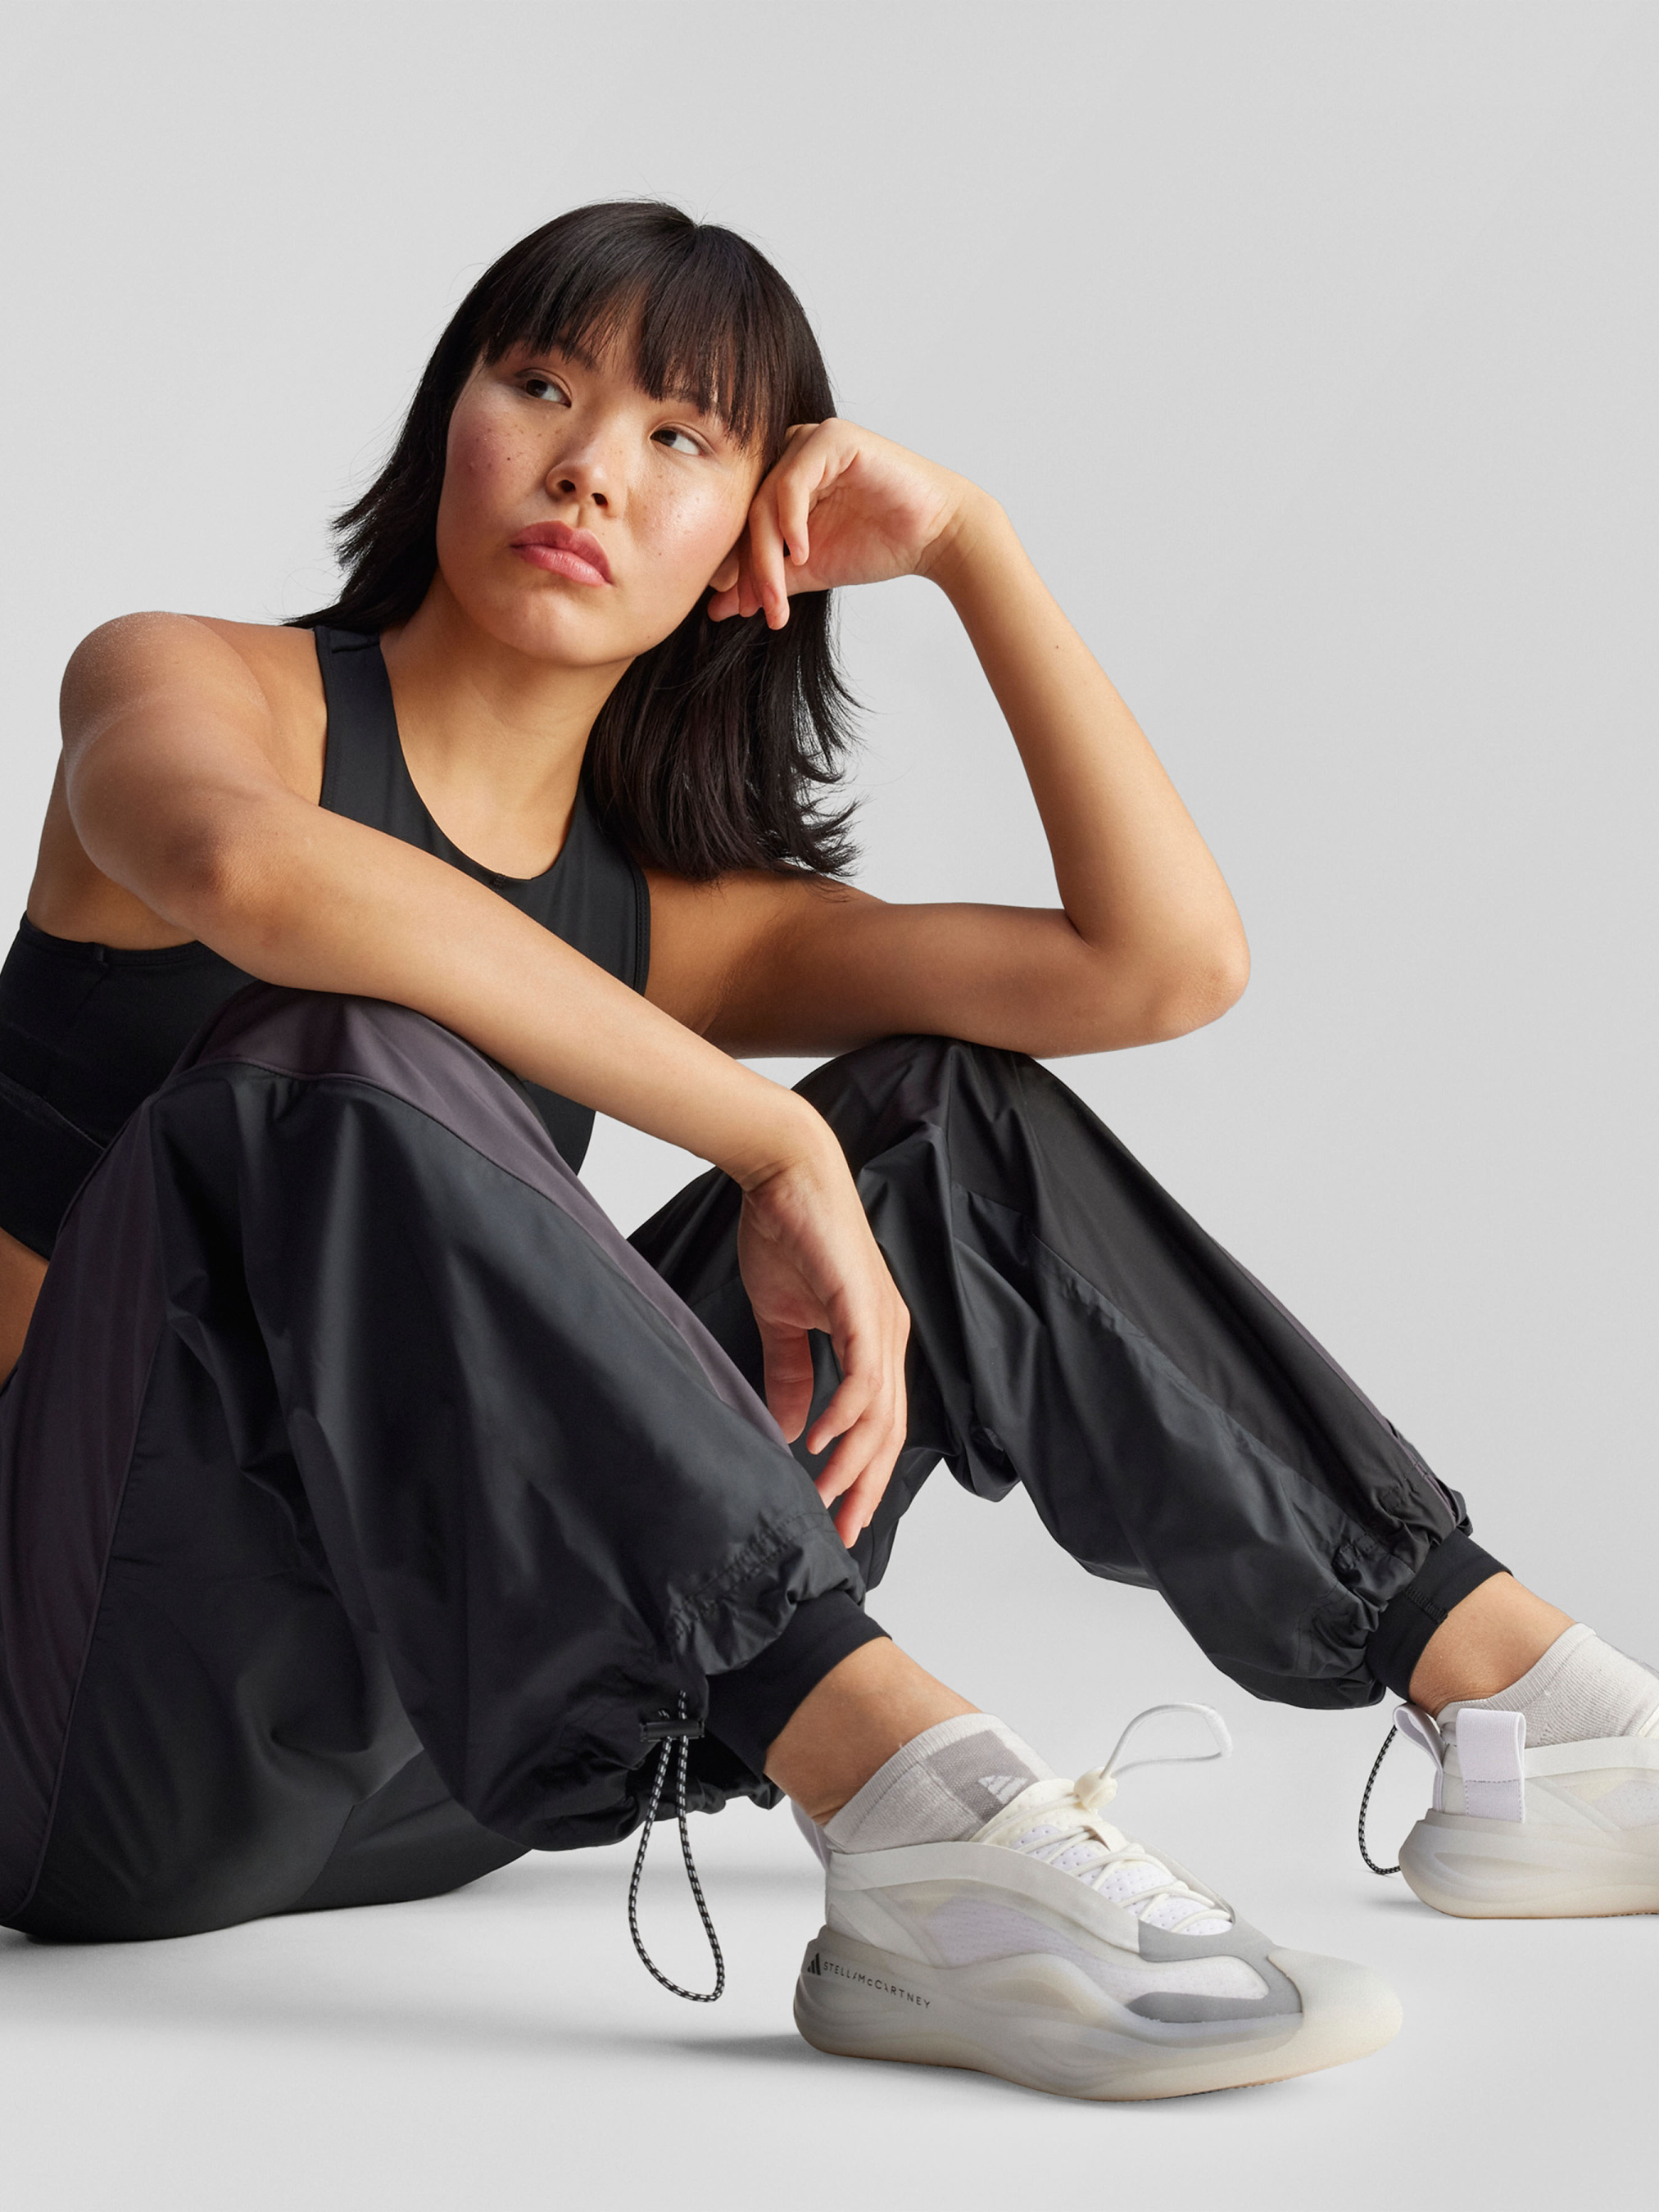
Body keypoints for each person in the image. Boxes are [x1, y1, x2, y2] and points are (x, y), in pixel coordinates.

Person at [0, 202, 1652, 2104]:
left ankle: (1529, 1718)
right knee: (325, 1050)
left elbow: (1162, 964)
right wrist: (758, 1127)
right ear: (448, 415)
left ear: (747, 538)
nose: (588, 466)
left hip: (446, 1757)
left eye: (678, 437)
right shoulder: (190, 687)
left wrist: (969, 547)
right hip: (79, 1731)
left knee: (939, 1125)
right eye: (537, 384)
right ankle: (917, 1820)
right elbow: (242, 869)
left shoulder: (665, 916)